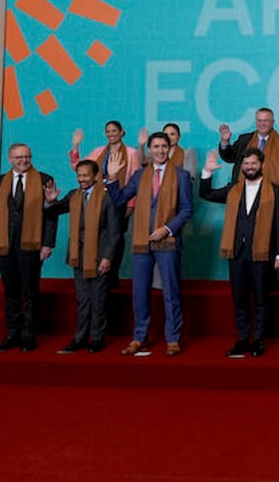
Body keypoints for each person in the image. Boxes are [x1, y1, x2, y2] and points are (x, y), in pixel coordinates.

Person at [105, 132, 193, 357]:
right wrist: (112, 178)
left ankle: (173, 338)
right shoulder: (139, 175)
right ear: (150, 149)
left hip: (168, 242)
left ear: (169, 148)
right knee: (140, 292)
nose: (160, 150)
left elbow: (186, 210)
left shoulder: (181, 175)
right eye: (156, 146)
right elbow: (119, 199)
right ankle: (139, 337)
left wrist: (167, 228)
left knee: (171, 292)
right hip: (142, 242)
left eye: (164, 146)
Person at [0, 143, 57, 352]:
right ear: (10, 159)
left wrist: (47, 243)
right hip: (6, 246)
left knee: (30, 291)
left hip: (31, 246)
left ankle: (28, 336)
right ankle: (12, 334)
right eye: (18, 157)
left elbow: (51, 215)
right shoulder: (1, 181)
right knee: (11, 292)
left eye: (27, 156)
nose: (23, 160)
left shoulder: (45, 180)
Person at [199, 148, 279, 358]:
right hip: (237, 253)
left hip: (262, 254)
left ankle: (257, 340)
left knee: (260, 299)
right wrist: (207, 173)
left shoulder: (274, 191)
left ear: (262, 165)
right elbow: (206, 194)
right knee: (239, 299)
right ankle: (242, 339)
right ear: (242, 167)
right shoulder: (233, 189)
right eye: (246, 164)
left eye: (253, 163)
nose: (250, 167)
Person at [44, 159, 121, 354]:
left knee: (98, 299)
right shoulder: (73, 195)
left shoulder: (106, 197)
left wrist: (107, 257)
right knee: (83, 300)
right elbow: (53, 210)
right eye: (79, 175)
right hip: (78, 256)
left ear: (95, 176)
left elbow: (114, 231)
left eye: (86, 175)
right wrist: (50, 201)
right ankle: (79, 338)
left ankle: (97, 338)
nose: (82, 179)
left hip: (99, 256)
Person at [69, 120, 142, 286]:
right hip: (98, 200)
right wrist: (75, 146)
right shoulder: (98, 151)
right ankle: (97, 270)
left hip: (119, 200)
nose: (111, 134)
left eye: (114, 131)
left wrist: (131, 204)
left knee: (116, 236)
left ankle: (112, 273)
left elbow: (135, 180)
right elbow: (78, 166)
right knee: (99, 235)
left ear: (122, 132)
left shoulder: (131, 153)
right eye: (108, 131)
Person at [218, 107, 279, 209]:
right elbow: (229, 157)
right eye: (259, 120)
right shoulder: (244, 140)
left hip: (275, 200)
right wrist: (225, 142)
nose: (262, 124)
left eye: (265, 121)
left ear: (273, 122)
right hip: (244, 197)